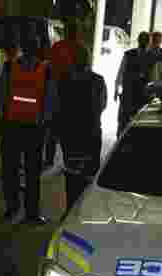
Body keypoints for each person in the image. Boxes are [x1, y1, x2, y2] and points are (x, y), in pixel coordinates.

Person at [0, 38, 57, 225]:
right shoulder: (45, 70)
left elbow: (2, 95)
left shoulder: (10, 67)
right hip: (33, 128)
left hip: (13, 126)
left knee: (12, 170)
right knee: (32, 173)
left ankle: (12, 208)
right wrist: (45, 124)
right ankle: (31, 213)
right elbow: (49, 99)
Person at [57, 45, 107, 212]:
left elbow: (59, 107)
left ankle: (70, 209)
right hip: (91, 134)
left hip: (70, 135)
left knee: (71, 175)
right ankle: (83, 210)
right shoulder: (98, 80)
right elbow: (102, 105)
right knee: (89, 176)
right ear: (88, 60)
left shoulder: (64, 81)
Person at [44, 21, 82, 168]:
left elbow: (49, 65)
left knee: (53, 129)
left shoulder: (57, 46)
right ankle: (68, 160)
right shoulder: (80, 48)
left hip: (57, 89)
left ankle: (49, 159)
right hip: (72, 92)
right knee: (69, 129)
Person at [115, 32, 152, 133]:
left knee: (142, 124)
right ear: (138, 41)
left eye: (146, 40)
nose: (144, 42)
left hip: (144, 95)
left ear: (149, 42)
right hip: (129, 94)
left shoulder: (152, 57)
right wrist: (116, 88)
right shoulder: (128, 54)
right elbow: (121, 71)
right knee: (123, 122)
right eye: (142, 40)